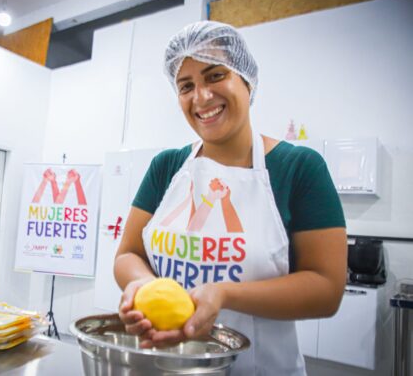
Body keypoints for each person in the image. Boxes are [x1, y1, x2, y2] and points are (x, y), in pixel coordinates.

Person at [113, 21, 347, 375]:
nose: (201, 97)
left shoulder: (298, 168)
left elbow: (326, 289)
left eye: (215, 76)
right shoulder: (166, 167)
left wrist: (224, 294)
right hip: (167, 365)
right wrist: (144, 285)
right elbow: (128, 254)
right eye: (186, 86)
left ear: (247, 80)